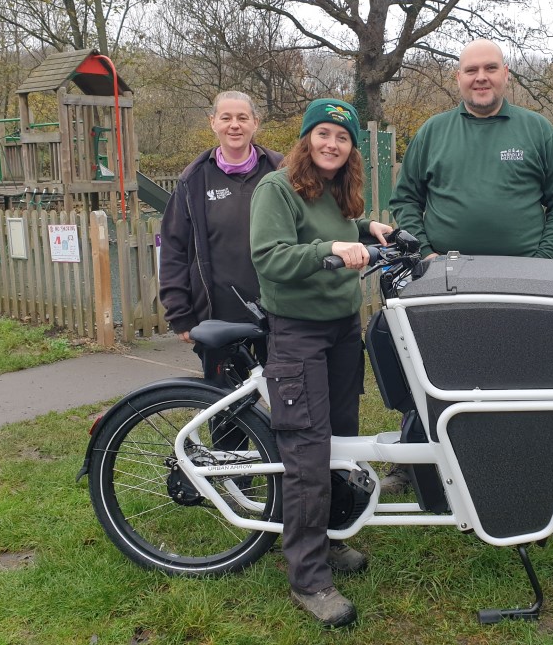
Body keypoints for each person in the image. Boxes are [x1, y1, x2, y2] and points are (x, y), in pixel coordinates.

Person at [385, 39, 553, 492]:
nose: (480, 77)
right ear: (457, 77)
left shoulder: (537, 131)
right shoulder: (434, 132)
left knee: (527, 372)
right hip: (444, 279)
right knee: (432, 369)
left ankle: (541, 466)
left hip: (523, 280)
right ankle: (415, 463)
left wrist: (542, 258)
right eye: (470, 69)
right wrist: (426, 252)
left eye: (490, 68)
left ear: (505, 74)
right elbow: (405, 199)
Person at [250, 98, 391, 627]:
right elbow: (271, 256)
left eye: (343, 137)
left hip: (341, 331)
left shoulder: (337, 189)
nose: (332, 144)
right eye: (324, 134)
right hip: (298, 334)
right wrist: (330, 247)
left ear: (352, 148)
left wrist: (369, 229)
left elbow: (338, 231)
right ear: (307, 138)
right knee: (308, 452)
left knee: (340, 440)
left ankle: (329, 540)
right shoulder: (277, 188)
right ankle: (308, 578)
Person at [159, 90, 283, 380]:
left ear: (256, 122)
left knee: (285, 402)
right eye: (226, 118)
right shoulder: (193, 179)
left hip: (278, 310)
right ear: (212, 122)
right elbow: (174, 248)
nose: (234, 125)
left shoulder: (281, 170)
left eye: (242, 117)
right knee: (228, 410)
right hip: (218, 316)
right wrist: (180, 313)